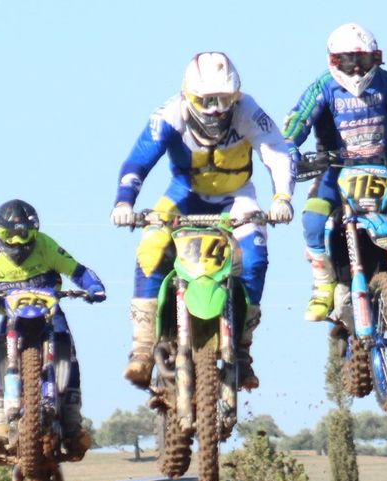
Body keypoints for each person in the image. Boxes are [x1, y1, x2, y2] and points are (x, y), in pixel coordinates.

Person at [111, 51, 295, 391]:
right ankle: (141, 348)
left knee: (254, 255)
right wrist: (125, 202)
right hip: (184, 195)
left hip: (235, 196)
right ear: (188, 94)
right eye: (206, 100)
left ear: (236, 96)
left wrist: (282, 197)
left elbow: (276, 151)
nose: (215, 109)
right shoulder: (169, 114)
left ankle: (242, 349)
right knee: (151, 247)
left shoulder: (248, 111)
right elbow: (138, 160)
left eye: (224, 99)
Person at [282, 23, 387, 324]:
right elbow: (297, 120)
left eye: (363, 61)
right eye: (347, 61)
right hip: (335, 169)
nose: (355, 69)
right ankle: (323, 284)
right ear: (333, 61)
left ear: (376, 59)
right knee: (313, 217)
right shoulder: (323, 86)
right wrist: (290, 151)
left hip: (382, 166)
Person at [0, 199, 105, 461]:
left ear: (33, 231)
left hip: (49, 314)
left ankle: (72, 424)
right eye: (8, 234)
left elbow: (76, 269)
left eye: (22, 233)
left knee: (69, 352)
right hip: (12, 317)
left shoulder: (46, 245)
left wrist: (93, 286)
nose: (16, 241)